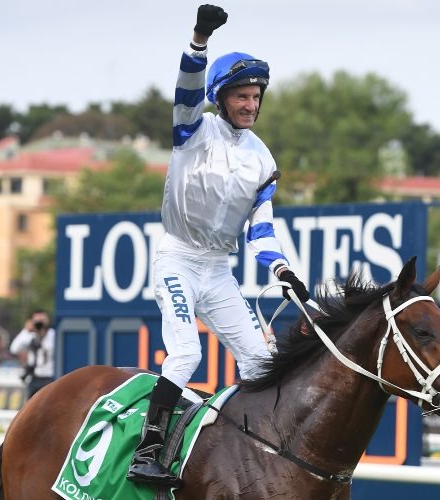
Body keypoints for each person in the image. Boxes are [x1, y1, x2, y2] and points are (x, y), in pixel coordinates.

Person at [127, 4, 310, 487]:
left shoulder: (262, 157)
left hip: (218, 271)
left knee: (260, 362)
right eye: (242, 96)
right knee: (186, 355)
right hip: (178, 259)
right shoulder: (192, 129)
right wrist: (199, 40)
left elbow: (261, 230)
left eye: (256, 96)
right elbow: (186, 87)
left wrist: (283, 272)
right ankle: (147, 453)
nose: (251, 104)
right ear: (222, 98)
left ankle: (252, 450)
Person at [9, 308, 56, 399]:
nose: (40, 324)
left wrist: (42, 335)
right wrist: (25, 331)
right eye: (37, 321)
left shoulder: (53, 334)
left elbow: (49, 348)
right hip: (34, 378)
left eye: (42, 320)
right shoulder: (30, 336)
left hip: (50, 378)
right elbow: (14, 349)